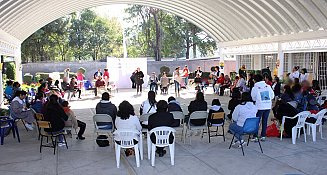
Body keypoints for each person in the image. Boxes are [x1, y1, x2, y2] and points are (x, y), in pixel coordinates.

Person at [251, 74, 275, 142]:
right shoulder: (268, 86)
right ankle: (263, 135)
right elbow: (272, 96)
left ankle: (255, 136)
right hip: (267, 106)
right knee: (265, 121)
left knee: (257, 121)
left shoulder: (255, 88)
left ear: (255, 80)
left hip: (259, 107)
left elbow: (253, 98)